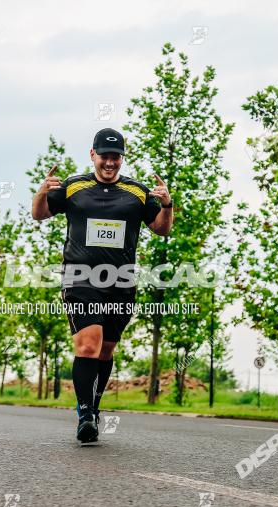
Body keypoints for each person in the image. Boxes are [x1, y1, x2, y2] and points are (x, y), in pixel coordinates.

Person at [31, 128, 173, 443]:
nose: (110, 162)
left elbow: (161, 230)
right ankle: (84, 414)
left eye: (116, 157)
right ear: (93, 154)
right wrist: (41, 192)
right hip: (80, 278)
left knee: (106, 350)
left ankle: (94, 407)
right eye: (105, 156)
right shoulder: (73, 186)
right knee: (88, 345)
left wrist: (167, 205)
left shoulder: (137, 192)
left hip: (121, 281)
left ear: (122, 158)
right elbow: (39, 215)